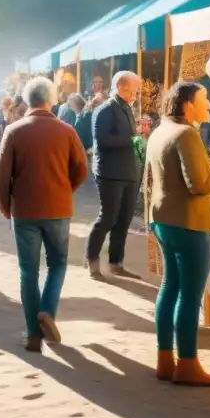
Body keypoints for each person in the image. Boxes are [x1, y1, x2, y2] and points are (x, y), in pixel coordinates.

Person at [145, 81, 210, 387]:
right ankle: (188, 364)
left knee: (170, 288)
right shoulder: (187, 133)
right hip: (188, 222)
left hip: (163, 218)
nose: (209, 106)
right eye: (204, 100)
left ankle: (165, 359)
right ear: (188, 106)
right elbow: (199, 185)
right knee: (190, 296)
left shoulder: (161, 130)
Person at [0, 77, 88, 353]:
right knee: (58, 264)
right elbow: (81, 169)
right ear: (52, 99)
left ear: (27, 100)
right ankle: (47, 310)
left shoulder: (14, 131)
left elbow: (1, 176)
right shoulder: (66, 130)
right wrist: (64, 188)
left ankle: (33, 334)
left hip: (24, 211)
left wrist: (5, 206)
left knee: (28, 271)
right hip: (58, 209)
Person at [85, 71, 144, 280]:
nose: (136, 94)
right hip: (110, 173)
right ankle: (92, 259)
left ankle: (116, 262)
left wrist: (139, 158)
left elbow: (132, 139)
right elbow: (103, 141)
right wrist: (133, 140)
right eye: (134, 90)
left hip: (129, 172)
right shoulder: (105, 110)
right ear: (120, 86)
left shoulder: (126, 108)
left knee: (124, 219)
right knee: (108, 217)